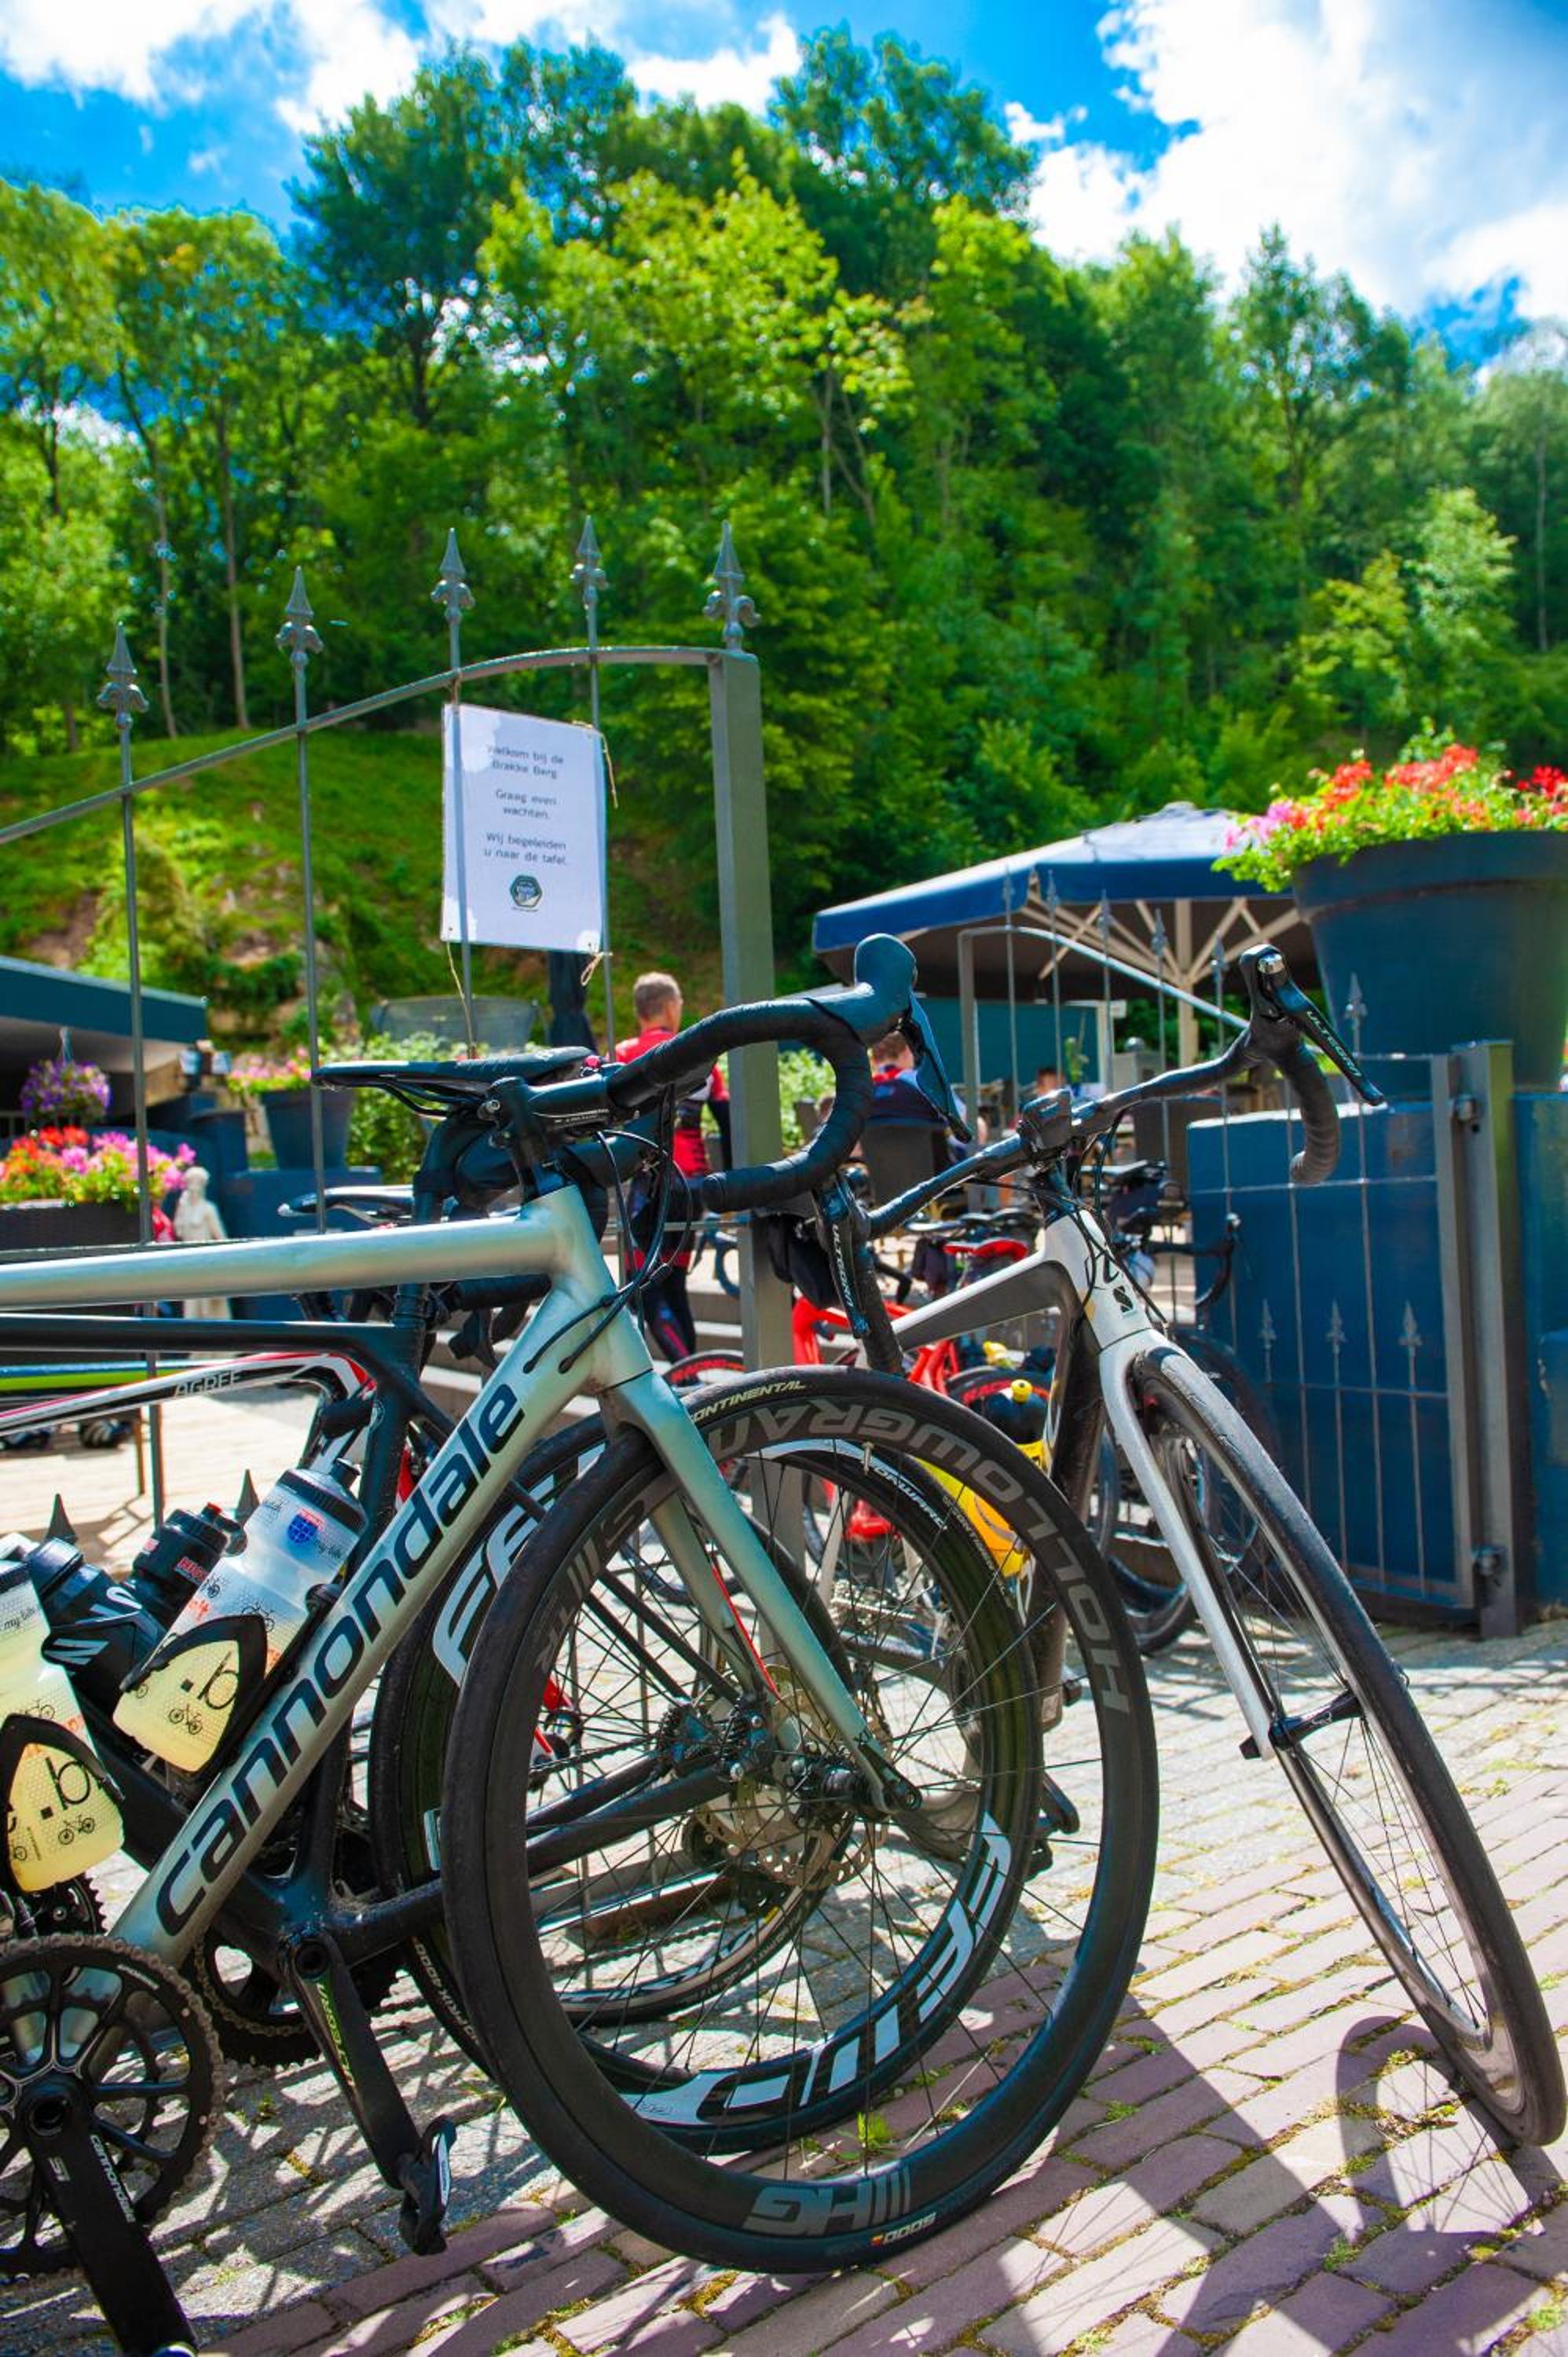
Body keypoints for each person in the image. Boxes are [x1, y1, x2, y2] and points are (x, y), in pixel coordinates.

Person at [615, 972, 730, 1361]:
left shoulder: (624, 1054)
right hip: (692, 1186)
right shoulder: (700, 1057)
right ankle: (691, 1376)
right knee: (674, 1284)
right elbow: (728, 1123)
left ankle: (688, 1374)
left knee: (642, 1285)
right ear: (667, 1007)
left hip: (647, 1183)